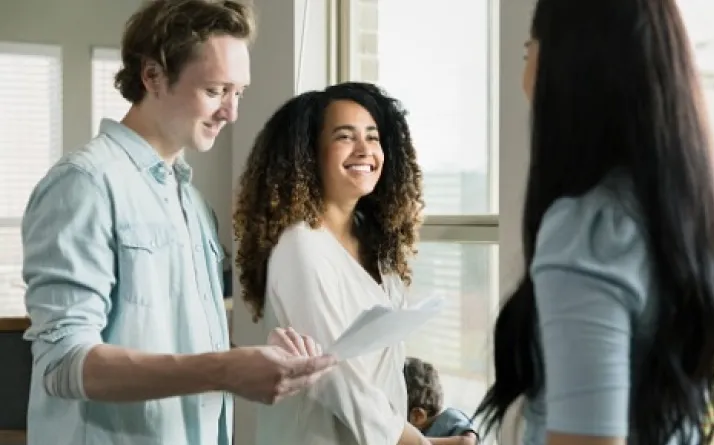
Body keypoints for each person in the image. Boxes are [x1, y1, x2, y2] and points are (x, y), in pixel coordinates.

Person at [21, 1, 335, 445]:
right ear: (152, 76)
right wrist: (226, 369)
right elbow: (63, 364)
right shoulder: (84, 185)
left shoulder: (189, 200)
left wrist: (256, 362)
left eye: (238, 92)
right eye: (215, 90)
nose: (232, 113)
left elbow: (172, 349)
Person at [475, 1, 714, 445]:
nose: (524, 73)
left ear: (567, 65)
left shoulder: (586, 232)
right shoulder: (676, 221)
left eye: (528, 50)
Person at [233, 82, 433, 444]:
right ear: (311, 154)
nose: (364, 150)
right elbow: (333, 375)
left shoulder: (376, 244)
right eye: (345, 136)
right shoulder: (300, 247)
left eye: (372, 137)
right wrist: (417, 442)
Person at [403, 357, 478, 445]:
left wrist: (412, 440)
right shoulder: (423, 432)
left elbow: (468, 442)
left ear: (417, 416)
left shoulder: (448, 418)